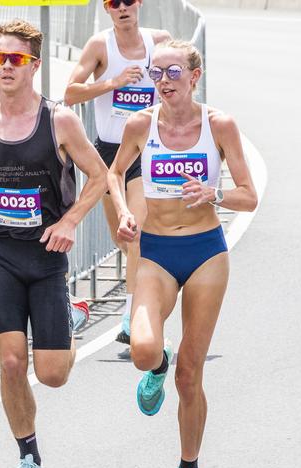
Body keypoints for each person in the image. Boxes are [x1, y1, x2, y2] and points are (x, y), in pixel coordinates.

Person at [0, 20, 107, 468]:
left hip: (47, 255)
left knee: (52, 375)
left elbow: (99, 176)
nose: (7, 67)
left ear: (34, 65)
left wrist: (70, 221)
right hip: (0, 254)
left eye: (16, 59)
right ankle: (28, 458)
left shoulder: (59, 121)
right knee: (12, 361)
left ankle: (69, 316)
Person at [107, 40, 257, 468]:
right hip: (155, 251)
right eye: (156, 74)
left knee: (191, 372)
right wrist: (125, 213)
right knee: (143, 349)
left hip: (205, 253)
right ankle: (157, 368)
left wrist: (213, 193)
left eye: (173, 73)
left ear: (195, 76)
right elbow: (115, 173)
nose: (163, 82)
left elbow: (248, 196)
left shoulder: (218, 126)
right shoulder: (140, 125)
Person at [64, 0, 171, 344]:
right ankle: (154, 278)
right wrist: (113, 82)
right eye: (114, 3)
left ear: (139, 3)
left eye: (129, 0)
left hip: (146, 149)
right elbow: (70, 93)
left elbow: (179, 79)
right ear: (107, 9)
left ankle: (131, 316)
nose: (123, 7)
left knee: (135, 231)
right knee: (122, 239)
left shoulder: (160, 41)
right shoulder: (100, 45)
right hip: (110, 152)